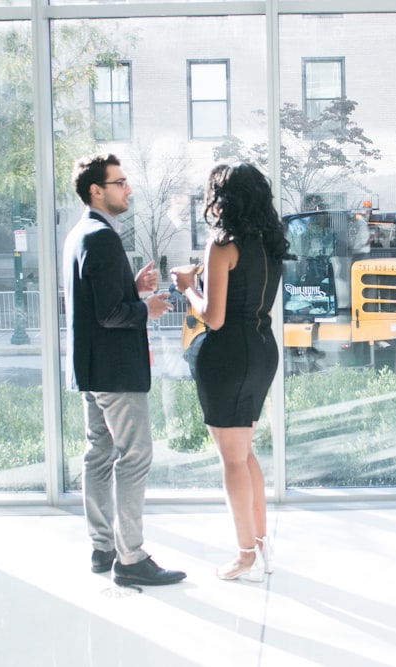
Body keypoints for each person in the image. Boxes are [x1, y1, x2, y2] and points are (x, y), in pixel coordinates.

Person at [63, 153, 186, 587]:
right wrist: (146, 308)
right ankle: (130, 558)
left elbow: (98, 304)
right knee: (134, 457)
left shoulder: (81, 234)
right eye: (120, 182)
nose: (128, 189)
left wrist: (133, 291)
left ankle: (103, 548)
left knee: (98, 455)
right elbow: (112, 315)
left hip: (92, 371)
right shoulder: (102, 238)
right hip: (115, 372)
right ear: (97, 190)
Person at [171, 162, 290, 582]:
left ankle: (245, 556)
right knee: (245, 453)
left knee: (232, 460)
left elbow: (214, 317)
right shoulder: (270, 245)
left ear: (223, 200)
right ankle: (259, 545)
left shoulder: (222, 247)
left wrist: (185, 285)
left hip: (228, 356)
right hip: (261, 350)